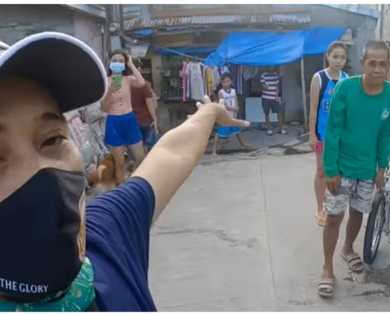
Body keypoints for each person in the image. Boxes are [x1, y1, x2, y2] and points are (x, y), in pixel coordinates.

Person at [0, 32, 249, 311]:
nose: (41, 170)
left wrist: (212, 111)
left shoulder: (107, 234)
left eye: (52, 139)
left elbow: (171, 153)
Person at [318, 40, 390, 298]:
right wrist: (330, 169)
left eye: (382, 64)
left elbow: (388, 135)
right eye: (372, 63)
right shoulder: (345, 88)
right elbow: (332, 131)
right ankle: (327, 268)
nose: (377, 69)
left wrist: (382, 166)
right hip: (341, 168)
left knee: (358, 212)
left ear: (388, 65)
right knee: (334, 217)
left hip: (367, 169)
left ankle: (348, 248)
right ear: (363, 64)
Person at [308, 41, 349, 227]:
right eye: (335, 56)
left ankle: (332, 204)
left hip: (340, 136)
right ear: (328, 57)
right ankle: (319, 208)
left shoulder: (346, 79)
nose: (338, 61)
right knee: (321, 170)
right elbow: (314, 109)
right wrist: (312, 135)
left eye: (342, 57)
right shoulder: (319, 78)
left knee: (336, 171)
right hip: (322, 134)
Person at [101, 50, 146, 185]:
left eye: (121, 61)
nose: (118, 63)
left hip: (129, 120)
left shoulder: (128, 79)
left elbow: (142, 83)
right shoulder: (105, 82)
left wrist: (131, 64)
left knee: (141, 158)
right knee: (119, 163)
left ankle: (134, 182)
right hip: (113, 122)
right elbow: (104, 108)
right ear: (109, 63)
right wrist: (110, 91)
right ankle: (122, 192)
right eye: (115, 60)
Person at [212, 73, 251, 155]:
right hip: (225, 116)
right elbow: (223, 105)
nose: (226, 83)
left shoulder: (233, 91)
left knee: (237, 131)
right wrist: (233, 108)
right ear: (221, 83)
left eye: (228, 81)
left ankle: (243, 145)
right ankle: (214, 151)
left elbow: (236, 102)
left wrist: (236, 109)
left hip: (233, 114)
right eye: (224, 82)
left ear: (231, 82)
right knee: (219, 133)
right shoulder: (221, 92)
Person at [130, 59, 159, 152]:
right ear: (138, 68)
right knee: (147, 145)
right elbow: (150, 103)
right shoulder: (144, 84)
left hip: (129, 120)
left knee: (134, 147)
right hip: (144, 119)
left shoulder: (123, 84)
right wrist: (154, 119)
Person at [260, 67, 286, 135]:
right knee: (267, 113)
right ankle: (269, 129)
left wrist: (277, 96)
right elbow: (263, 85)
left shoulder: (275, 75)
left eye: (272, 66)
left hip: (274, 98)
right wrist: (266, 87)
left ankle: (281, 129)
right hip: (265, 98)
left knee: (279, 112)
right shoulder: (263, 75)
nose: (271, 67)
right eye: (270, 65)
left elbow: (277, 87)